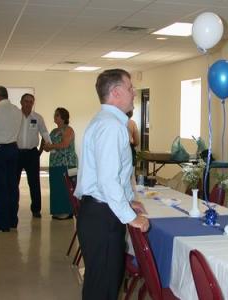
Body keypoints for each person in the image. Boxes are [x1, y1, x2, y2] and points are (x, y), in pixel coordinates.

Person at [74, 68, 149, 300]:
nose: (134, 93)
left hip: (100, 211)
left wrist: (129, 201)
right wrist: (130, 216)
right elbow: (108, 181)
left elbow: (116, 173)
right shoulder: (111, 126)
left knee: (103, 283)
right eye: (129, 88)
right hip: (102, 215)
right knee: (103, 287)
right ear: (116, 92)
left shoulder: (107, 121)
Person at [0, 86, 22, 232]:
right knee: (12, 186)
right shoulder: (16, 110)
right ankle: (12, 221)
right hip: (13, 150)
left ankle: (3, 223)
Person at [17, 93, 51, 218]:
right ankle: (13, 207)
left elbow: (44, 133)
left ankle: (36, 209)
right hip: (17, 153)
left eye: (31, 101)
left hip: (32, 154)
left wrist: (47, 146)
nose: (28, 103)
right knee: (14, 183)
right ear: (21, 102)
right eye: (26, 101)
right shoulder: (15, 116)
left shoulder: (37, 117)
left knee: (34, 183)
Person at [44, 107, 78, 220]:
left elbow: (65, 144)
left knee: (66, 187)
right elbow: (49, 145)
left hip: (67, 162)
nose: (55, 117)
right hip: (55, 163)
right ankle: (58, 210)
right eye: (55, 115)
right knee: (56, 187)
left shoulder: (68, 129)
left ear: (63, 117)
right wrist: (46, 147)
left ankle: (68, 211)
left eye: (57, 115)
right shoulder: (53, 131)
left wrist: (51, 146)